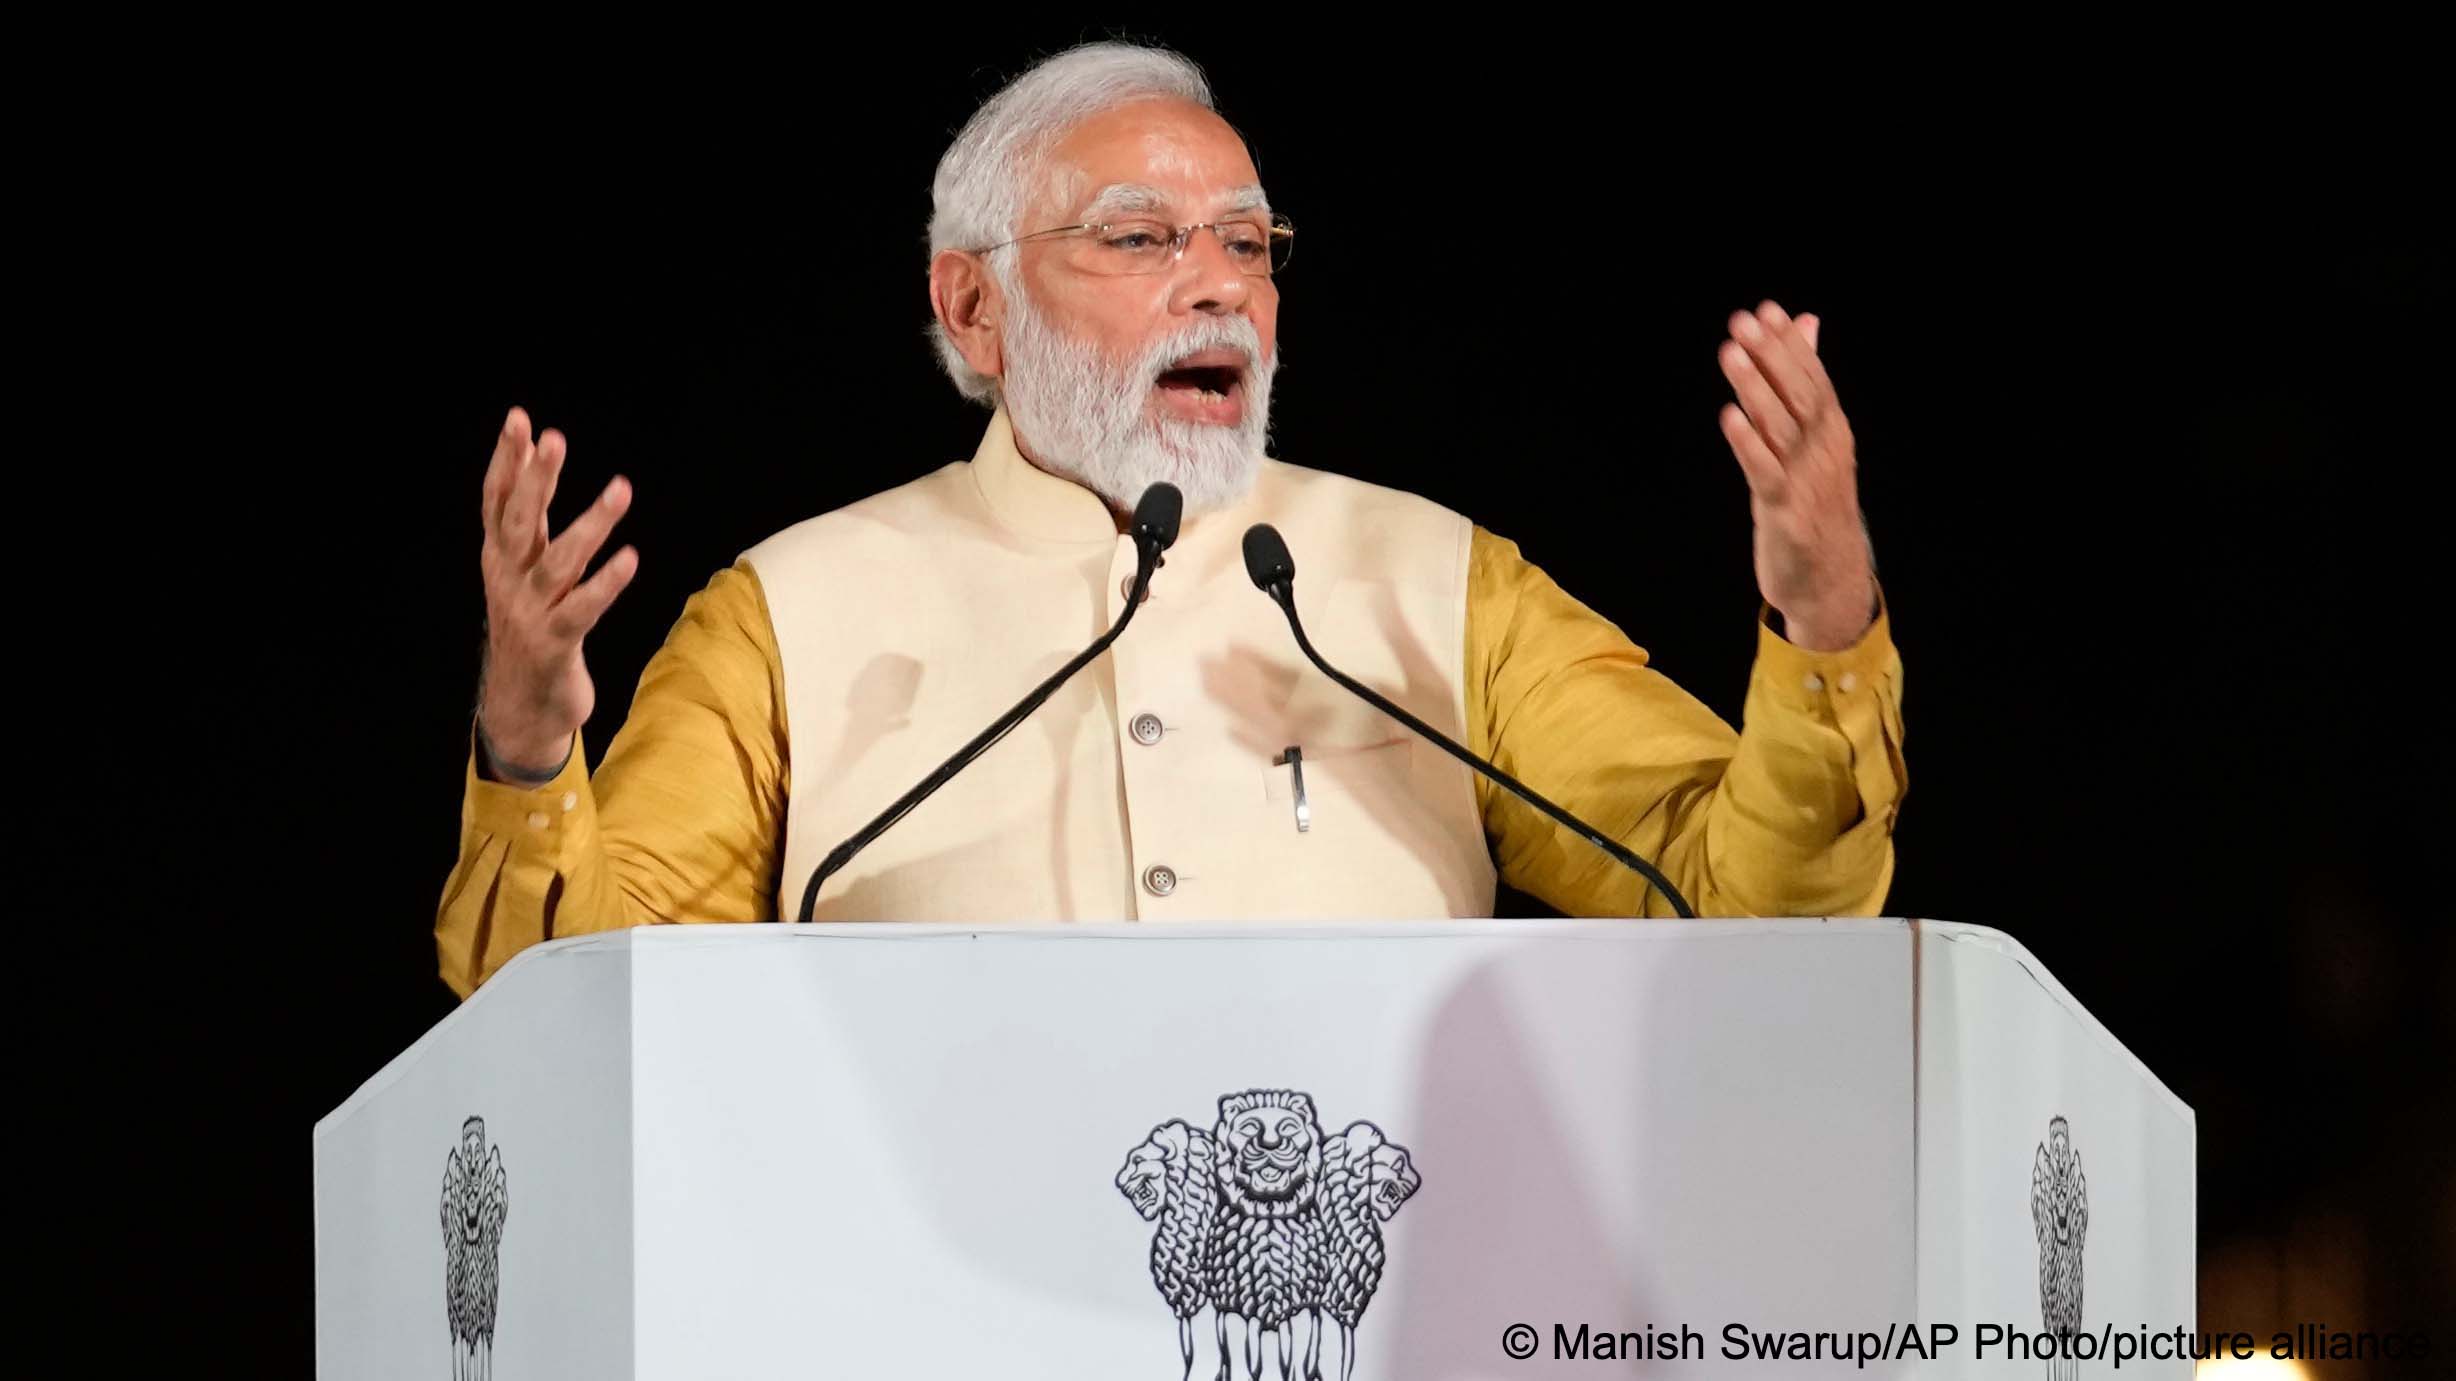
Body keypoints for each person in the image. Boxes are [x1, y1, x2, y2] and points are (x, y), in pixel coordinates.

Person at [436, 42, 1905, 999]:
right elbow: (587, 1029)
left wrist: (1824, 621)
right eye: (1140, 236)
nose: (1220, 286)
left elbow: (1754, 920)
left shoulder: (1436, 581)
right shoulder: (789, 611)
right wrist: (527, 746)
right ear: (973, 305)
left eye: (1249, 244)